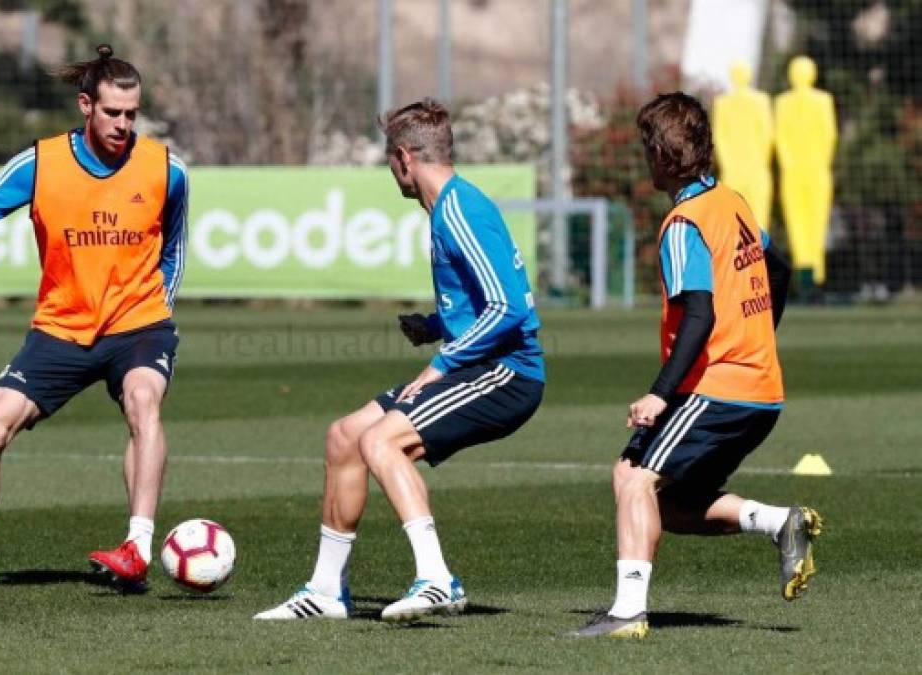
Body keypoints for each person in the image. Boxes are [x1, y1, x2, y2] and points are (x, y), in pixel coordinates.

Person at [255, 99, 546, 623]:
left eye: (390, 161)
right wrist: (435, 325)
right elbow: (487, 302)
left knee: (379, 441)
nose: (392, 171)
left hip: (507, 373)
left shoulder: (459, 210)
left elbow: (509, 307)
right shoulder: (449, 210)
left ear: (405, 159)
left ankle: (438, 579)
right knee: (344, 437)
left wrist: (438, 362)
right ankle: (325, 591)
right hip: (474, 364)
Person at [0, 44, 188, 596]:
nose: (123, 124)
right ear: (85, 106)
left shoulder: (166, 169)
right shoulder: (41, 163)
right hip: (61, 328)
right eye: (112, 112)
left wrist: (159, 307)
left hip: (138, 324)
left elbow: (174, 248)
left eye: (132, 114)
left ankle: (137, 547)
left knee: (144, 403)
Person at [574, 92, 821, 638]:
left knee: (637, 481)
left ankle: (627, 613)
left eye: (647, 148)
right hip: (760, 390)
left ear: (662, 157)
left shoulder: (683, 223)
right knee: (666, 500)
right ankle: (781, 523)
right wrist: (756, 339)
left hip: (719, 387)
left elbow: (700, 314)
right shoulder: (731, 201)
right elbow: (776, 268)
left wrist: (661, 392)